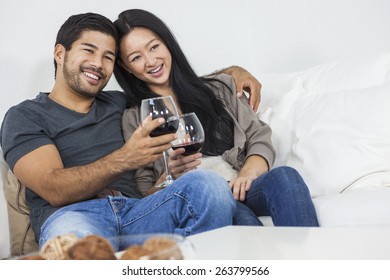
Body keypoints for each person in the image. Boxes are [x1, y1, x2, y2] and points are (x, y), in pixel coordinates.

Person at [0, 12, 263, 251]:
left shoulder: (119, 102)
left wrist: (232, 74)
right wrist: (126, 157)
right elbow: (54, 188)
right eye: (88, 51)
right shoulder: (24, 116)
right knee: (75, 246)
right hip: (74, 216)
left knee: (208, 185)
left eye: (108, 57)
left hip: (141, 211)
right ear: (60, 53)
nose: (97, 64)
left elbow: (171, 83)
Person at [114, 9, 319, 226]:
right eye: (136, 57)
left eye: (154, 46)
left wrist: (247, 174)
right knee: (243, 220)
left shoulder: (220, 88)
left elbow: (259, 137)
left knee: (285, 177)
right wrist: (169, 176)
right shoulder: (134, 118)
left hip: (240, 185)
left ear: (167, 43)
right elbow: (146, 195)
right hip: (201, 198)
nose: (150, 60)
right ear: (126, 67)